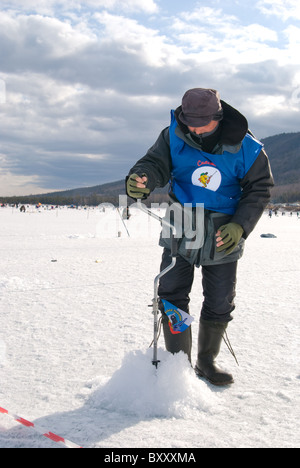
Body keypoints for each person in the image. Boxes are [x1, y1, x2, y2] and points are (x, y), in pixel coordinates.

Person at [126, 88, 274, 386]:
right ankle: (178, 365)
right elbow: (154, 164)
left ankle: (207, 362)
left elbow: (259, 189)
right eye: (189, 121)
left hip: (223, 230)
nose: (194, 128)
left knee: (220, 299)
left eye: (202, 123)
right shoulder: (172, 136)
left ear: (217, 117)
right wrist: (141, 179)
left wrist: (240, 226)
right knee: (171, 292)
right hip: (182, 222)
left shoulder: (248, 147)